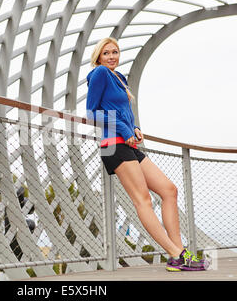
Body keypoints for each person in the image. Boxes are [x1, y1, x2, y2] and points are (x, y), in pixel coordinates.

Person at [86, 37, 208, 271]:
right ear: (99, 57)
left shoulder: (119, 78)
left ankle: (180, 254)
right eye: (106, 53)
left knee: (169, 190)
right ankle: (174, 254)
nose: (111, 57)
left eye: (115, 52)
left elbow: (122, 111)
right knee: (142, 200)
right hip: (113, 145)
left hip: (129, 144)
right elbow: (92, 113)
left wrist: (135, 129)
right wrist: (123, 128)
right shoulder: (100, 74)